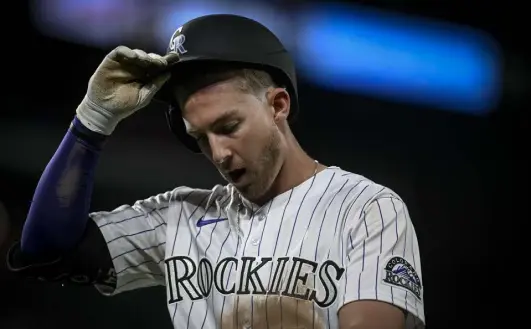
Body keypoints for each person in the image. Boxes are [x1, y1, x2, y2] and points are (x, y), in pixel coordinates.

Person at [6, 14, 425, 329]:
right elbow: (46, 247)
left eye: (228, 127)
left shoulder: (367, 207)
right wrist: (91, 122)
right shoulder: (179, 216)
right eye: (200, 137)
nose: (218, 153)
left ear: (278, 105)